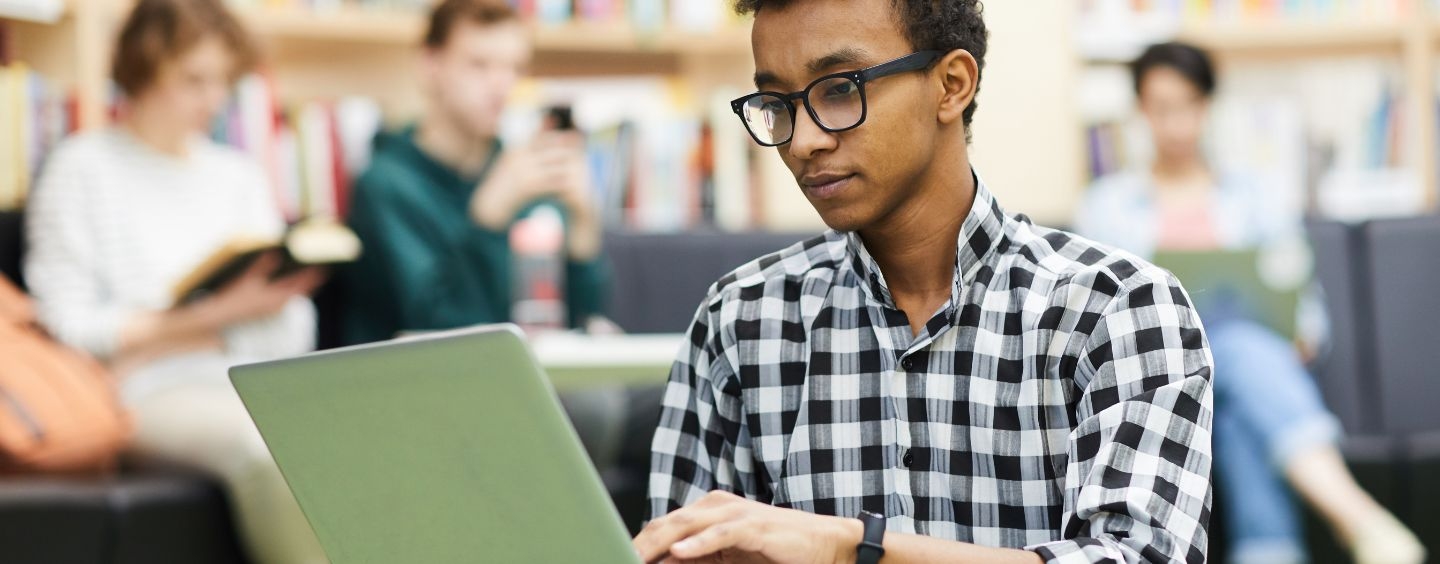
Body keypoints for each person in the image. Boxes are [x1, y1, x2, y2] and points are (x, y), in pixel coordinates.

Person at [636, 1, 1214, 562]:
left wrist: (846, 548)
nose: (802, 141)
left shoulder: (1117, 310)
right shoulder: (740, 320)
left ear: (952, 84)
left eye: (840, 89)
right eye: (778, 103)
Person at [1074, 42, 1426, 564]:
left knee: (1239, 389)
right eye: (1161, 108)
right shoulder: (1107, 206)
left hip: (1247, 373)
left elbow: (1300, 296)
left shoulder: (1255, 194)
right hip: (1159, 378)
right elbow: (1097, 313)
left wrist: (1301, 331)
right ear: (1141, 111)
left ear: (1207, 106)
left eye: (1188, 105)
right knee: (1229, 349)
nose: (1176, 124)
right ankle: (1361, 518)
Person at [24, 0, 328, 562]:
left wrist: (161, 335)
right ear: (143, 70)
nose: (212, 100)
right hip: (145, 395)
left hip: (250, 381)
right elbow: (69, 331)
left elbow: (292, 331)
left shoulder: (238, 177)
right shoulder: (81, 168)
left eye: (222, 82)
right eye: (193, 80)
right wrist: (217, 318)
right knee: (268, 448)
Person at [339, 0, 608, 345]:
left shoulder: (518, 173)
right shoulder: (385, 186)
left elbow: (577, 325)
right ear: (430, 66)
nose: (501, 85)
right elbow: (439, 328)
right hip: (419, 387)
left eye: (514, 68)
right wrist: (487, 218)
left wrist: (583, 229)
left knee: (604, 400)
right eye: (479, 65)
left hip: (520, 381)